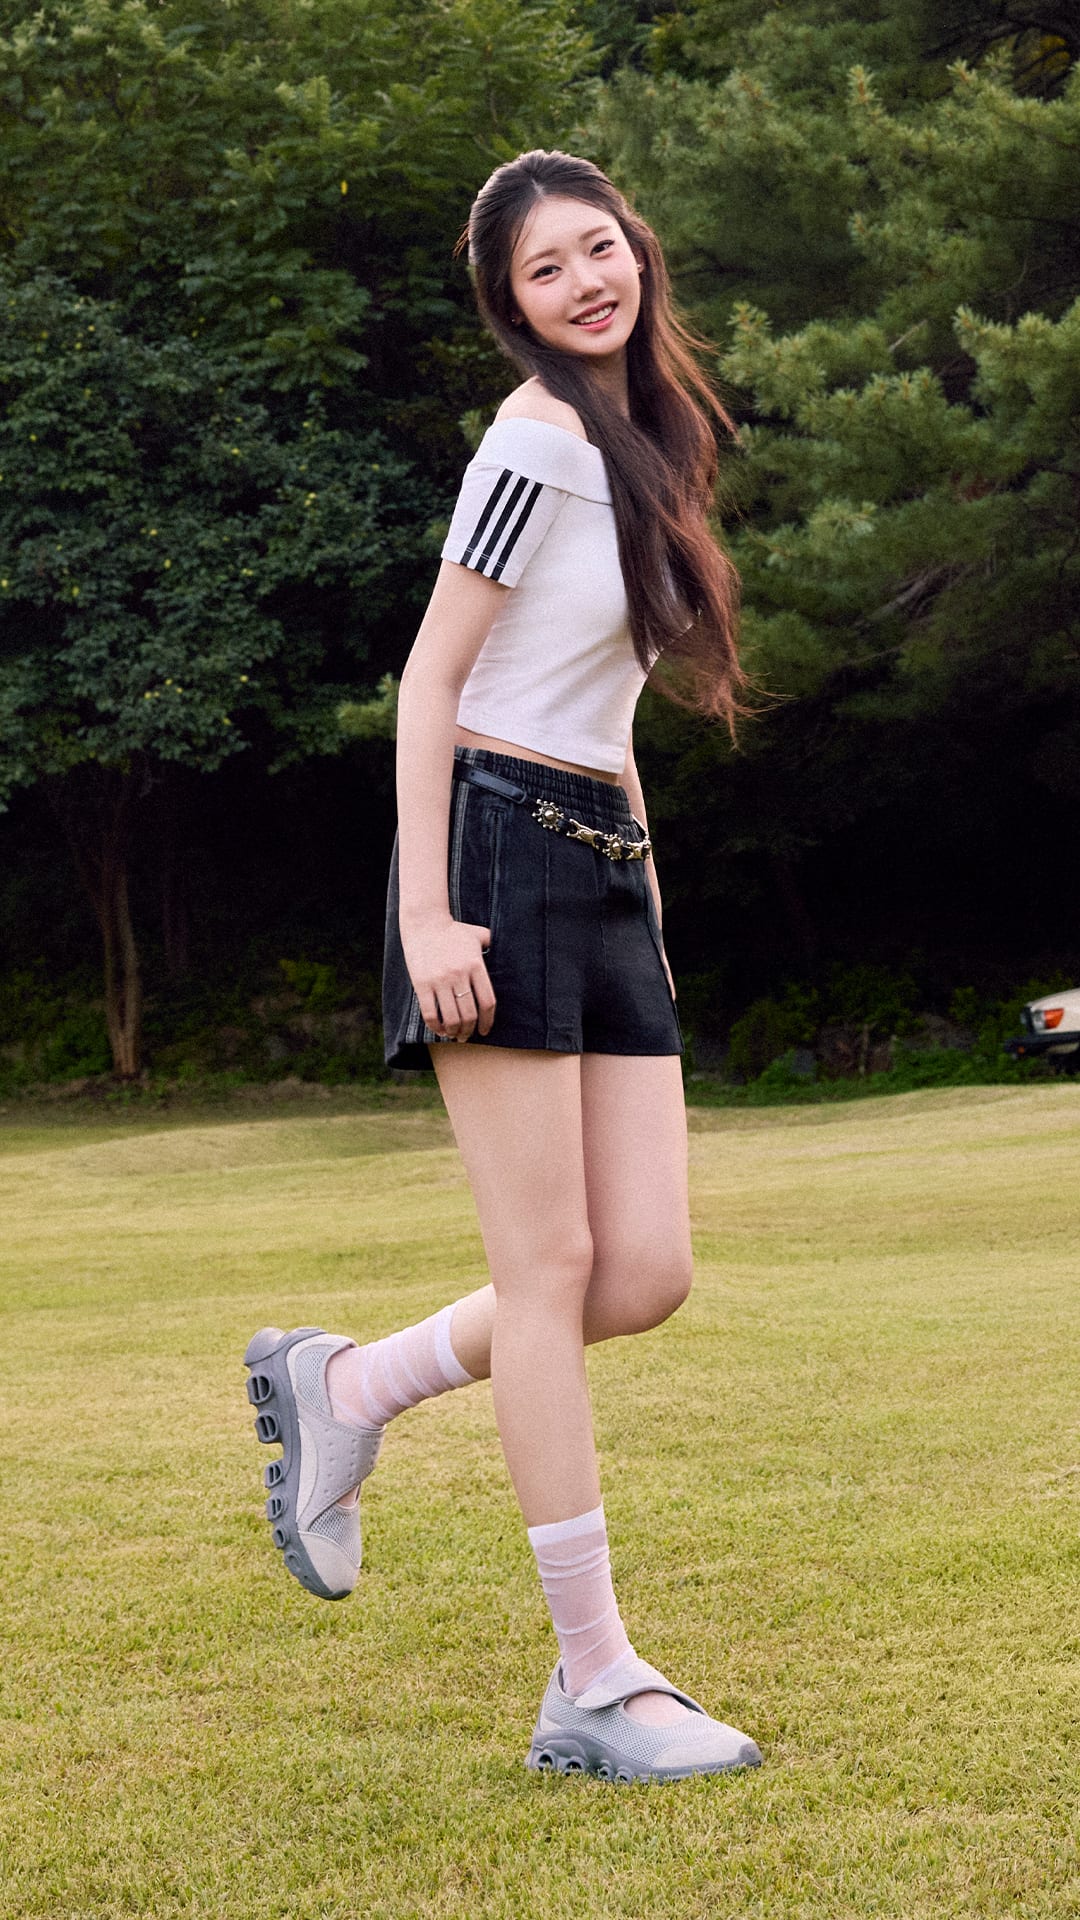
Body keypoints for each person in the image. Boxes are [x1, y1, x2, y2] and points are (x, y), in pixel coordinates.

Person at [243, 149, 762, 1783]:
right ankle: (593, 1682)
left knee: (643, 1272)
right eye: (548, 270)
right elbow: (432, 680)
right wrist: (425, 916)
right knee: (547, 1269)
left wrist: (648, 896)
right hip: (494, 852)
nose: (587, 282)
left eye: (600, 249)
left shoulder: (648, 446)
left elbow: (604, 706)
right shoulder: (533, 439)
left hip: (602, 856)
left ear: (636, 253)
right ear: (513, 308)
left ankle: (354, 1385)